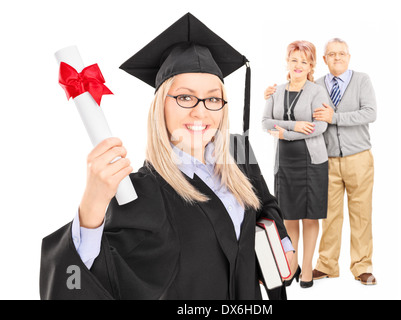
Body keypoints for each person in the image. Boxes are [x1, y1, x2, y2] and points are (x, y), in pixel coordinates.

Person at [40, 13, 294, 300]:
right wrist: (91, 209)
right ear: (161, 105)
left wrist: (281, 244)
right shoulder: (142, 192)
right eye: (185, 97)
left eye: (213, 98)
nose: (201, 111)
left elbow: (265, 204)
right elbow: (89, 276)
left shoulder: (237, 152)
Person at [262, 40, 329, 289]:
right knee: (289, 216)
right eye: (294, 60)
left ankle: (308, 267)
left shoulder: (317, 92)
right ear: (287, 62)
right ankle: (292, 265)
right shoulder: (275, 91)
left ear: (311, 64)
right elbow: (266, 122)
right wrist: (295, 126)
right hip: (285, 163)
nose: (298, 65)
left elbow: (320, 126)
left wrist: (286, 133)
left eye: (304, 61)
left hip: (312, 162)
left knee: (310, 217)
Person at [312, 38, 377, 285]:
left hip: (358, 158)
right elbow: (301, 110)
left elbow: (370, 113)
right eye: (332, 54)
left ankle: (362, 267)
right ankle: (327, 265)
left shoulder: (362, 80)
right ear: (324, 59)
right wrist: (274, 94)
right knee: (329, 215)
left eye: (341, 53)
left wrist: (334, 117)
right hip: (327, 160)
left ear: (348, 57)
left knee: (361, 214)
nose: (337, 57)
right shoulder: (316, 85)